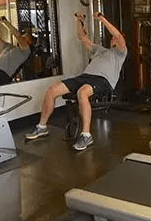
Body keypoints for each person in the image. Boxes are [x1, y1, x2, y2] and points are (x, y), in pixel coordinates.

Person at [25, 12, 127, 151]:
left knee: (82, 92)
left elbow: (119, 36)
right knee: (52, 90)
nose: (114, 39)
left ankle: (86, 135)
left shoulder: (120, 53)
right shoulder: (100, 50)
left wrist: (102, 19)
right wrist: (78, 21)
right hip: (85, 76)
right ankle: (42, 127)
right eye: (112, 38)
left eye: (115, 38)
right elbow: (82, 37)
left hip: (103, 81)